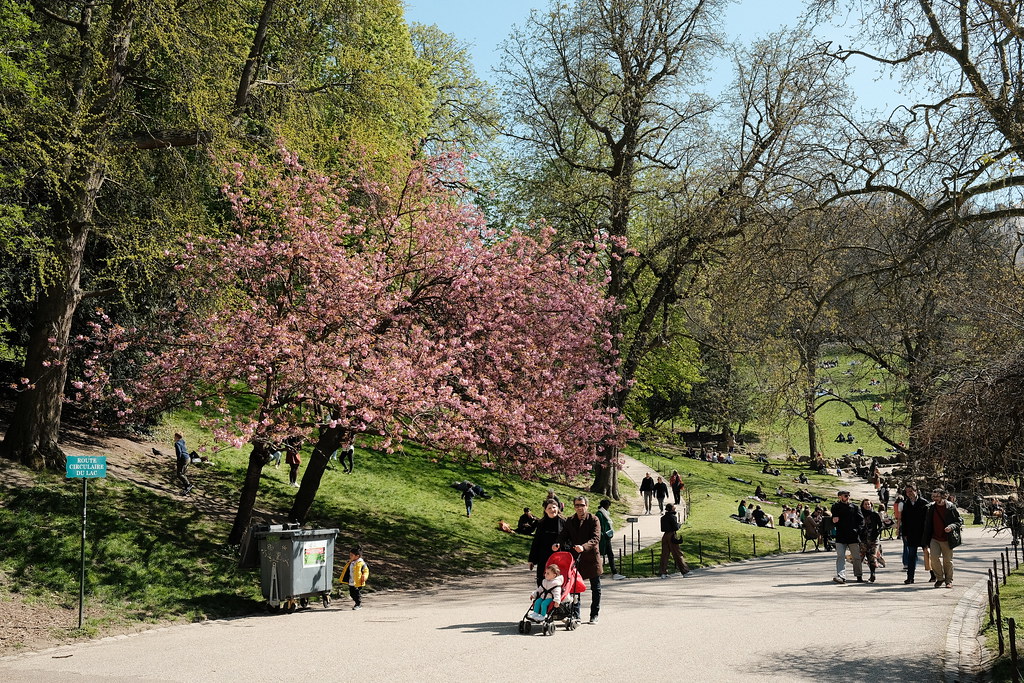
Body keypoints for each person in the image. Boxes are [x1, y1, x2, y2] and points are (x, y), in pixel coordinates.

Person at [554, 496, 602, 624]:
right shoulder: (570, 520)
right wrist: (558, 543)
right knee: (575, 588)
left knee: (596, 588)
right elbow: (563, 535)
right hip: (576, 558)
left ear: (587, 506)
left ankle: (594, 614)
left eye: (582, 505)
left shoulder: (593, 519)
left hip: (591, 558)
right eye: (577, 505)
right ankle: (576, 614)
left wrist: (584, 547)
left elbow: (596, 538)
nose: (579, 508)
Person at [922, 488, 964, 588]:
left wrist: (951, 527)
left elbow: (959, 521)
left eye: (937, 496)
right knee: (934, 558)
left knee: (947, 561)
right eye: (933, 496)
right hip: (934, 538)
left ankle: (948, 580)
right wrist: (924, 541)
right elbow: (927, 525)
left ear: (943, 496)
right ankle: (940, 578)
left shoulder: (950, 507)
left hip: (947, 538)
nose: (935, 498)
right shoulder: (930, 508)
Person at [831, 490, 864, 583]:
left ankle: (859, 575)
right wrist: (833, 520)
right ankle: (841, 576)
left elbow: (861, 521)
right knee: (840, 556)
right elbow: (833, 519)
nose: (847, 497)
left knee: (856, 557)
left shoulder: (855, 507)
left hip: (853, 536)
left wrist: (857, 531)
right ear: (840, 497)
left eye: (848, 495)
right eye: (845, 495)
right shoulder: (835, 507)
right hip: (841, 536)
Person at [529, 500, 565, 585]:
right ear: (545, 510)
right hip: (544, 558)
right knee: (542, 583)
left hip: (558, 557)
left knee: (557, 584)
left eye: (554, 507)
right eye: (549, 508)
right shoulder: (541, 523)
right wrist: (531, 560)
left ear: (558, 508)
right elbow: (536, 542)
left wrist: (559, 545)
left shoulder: (564, 522)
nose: (552, 510)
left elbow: (569, 540)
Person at [658, 503, 690, 577]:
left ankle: (663, 572)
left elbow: (662, 529)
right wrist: (679, 524)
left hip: (665, 536)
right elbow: (675, 527)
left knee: (665, 554)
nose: (674, 508)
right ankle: (684, 571)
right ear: (672, 508)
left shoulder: (663, 518)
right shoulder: (673, 517)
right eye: (673, 507)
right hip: (671, 535)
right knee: (677, 553)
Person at [595, 499, 623, 579]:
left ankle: (614, 572)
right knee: (600, 555)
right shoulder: (600, 514)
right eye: (608, 506)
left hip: (607, 538)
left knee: (610, 555)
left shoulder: (604, 513)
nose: (608, 507)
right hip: (603, 538)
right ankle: (599, 572)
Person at [859, 498, 883, 583]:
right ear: (862, 506)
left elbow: (881, 525)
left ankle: (872, 574)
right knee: (860, 557)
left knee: (872, 557)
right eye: (865, 504)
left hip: (873, 539)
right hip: (863, 539)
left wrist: (877, 532)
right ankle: (859, 576)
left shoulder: (875, 514)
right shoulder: (860, 514)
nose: (867, 506)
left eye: (869, 504)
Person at [338, 546, 369, 610]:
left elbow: (366, 571)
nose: (350, 556)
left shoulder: (361, 563)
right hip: (351, 581)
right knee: (352, 594)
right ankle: (357, 602)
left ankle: (358, 604)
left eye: (352, 555)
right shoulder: (350, 562)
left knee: (356, 593)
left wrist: (364, 577)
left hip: (358, 581)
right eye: (350, 555)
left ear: (357, 556)